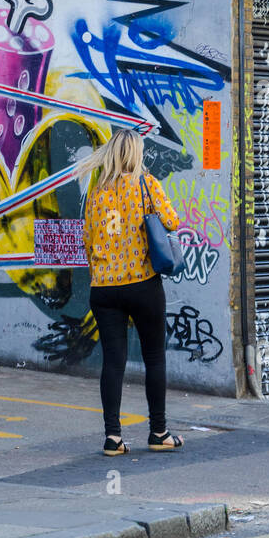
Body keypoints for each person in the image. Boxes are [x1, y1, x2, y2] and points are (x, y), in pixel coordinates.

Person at [78, 128, 184, 454]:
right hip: (143, 285)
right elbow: (172, 221)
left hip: (104, 290)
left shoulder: (96, 193)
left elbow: (88, 241)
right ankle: (159, 432)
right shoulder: (146, 185)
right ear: (136, 155)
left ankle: (113, 437)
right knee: (154, 357)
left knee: (113, 362)